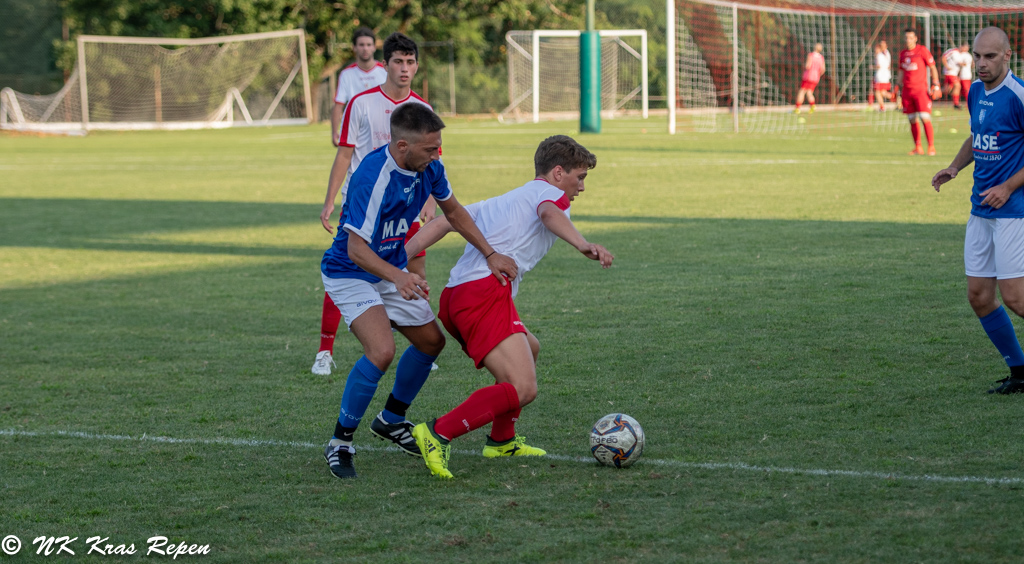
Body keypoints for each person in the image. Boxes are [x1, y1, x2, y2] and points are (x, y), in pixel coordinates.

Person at [320, 103, 518, 479]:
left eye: (438, 147)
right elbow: (355, 250)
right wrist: (399, 276)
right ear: (401, 147)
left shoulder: (430, 168)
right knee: (381, 351)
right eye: (429, 149)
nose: (436, 155)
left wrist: (490, 253)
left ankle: (392, 419)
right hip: (349, 272)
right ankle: (340, 442)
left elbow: (455, 213)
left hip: (390, 268)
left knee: (430, 342)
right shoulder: (372, 177)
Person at [402, 135, 614, 479]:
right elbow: (548, 214)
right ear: (558, 173)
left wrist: (399, 259)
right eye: (580, 177)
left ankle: (502, 441)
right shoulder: (550, 196)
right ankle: (438, 432)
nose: (581, 187)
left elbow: (444, 222)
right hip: (482, 294)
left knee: (530, 348)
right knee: (523, 387)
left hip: (456, 296)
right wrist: (582, 243)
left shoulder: (506, 199)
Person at [313, 32, 437, 377]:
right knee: (348, 266)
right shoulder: (362, 102)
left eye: (411, 62)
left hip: (404, 202)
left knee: (414, 267)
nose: (404, 68)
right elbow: (345, 153)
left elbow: (432, 158)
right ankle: (325, 350)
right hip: (363, 203)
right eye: (398, 61)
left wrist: (429, 199)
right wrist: (329, 201)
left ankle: (419, 341)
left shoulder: (423, 109)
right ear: (385, 64)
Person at [931, 27, 1024, 394]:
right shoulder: (973, 92)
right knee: (979, 296)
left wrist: (1008, 186)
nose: (981, 63)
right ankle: (1020, 372)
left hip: (1013, 210)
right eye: (977, 56)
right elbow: (978, 135)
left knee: (1016, 297)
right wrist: (955, 167)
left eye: (989, 56)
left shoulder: (1017, 95)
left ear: (1006, 56)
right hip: (980, 210)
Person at [330, 27, 386, 148]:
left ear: (374, 47)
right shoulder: (346, 74)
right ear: (354, 47)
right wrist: (334, 132)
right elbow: (338, 104)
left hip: (382, 130)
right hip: (355, 131)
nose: (365, 48)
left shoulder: (385, 71)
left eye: (368, 44)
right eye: (361, 45)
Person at [898, 28, 941, 156]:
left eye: (911, 37)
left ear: (915, 38)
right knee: (911, 119)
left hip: (921, 91)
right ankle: (918, 147)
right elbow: (901, 71)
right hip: (907, 91)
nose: (908, 40)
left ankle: (931, 147)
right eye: (906, 38)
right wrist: (897, 87)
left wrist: (936, 83)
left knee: (924, 117)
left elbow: (932, 67)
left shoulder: (922, 51)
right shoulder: (903, 54)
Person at [794, 43, 825, 114]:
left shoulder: (811, 55)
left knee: (802, 91)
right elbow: (823, 69)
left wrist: (804, 66)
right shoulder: (821, 57)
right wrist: (817, 74)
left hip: (808, 76)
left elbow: (808, 66)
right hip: (816, 77)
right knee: (809, 92)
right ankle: (813, 106)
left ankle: (797, 108)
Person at [873, 40, 893, 111]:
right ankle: (895, 98)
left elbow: (878, 66)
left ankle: (882, 107)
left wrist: (872, 67)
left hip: (880, 76)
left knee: (878, 92)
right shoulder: (887, 53)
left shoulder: (880, 55)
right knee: (882, 92)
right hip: (885, 76)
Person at [942, 43, 964, 108]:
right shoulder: (953, 51)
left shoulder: (961, 55)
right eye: (965, 47)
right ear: (961, 46)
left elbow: (958, 65)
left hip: (954, 73)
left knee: (947, 89)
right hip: (949, 73)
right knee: (957, 86)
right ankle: (956, 104)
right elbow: (943, 57)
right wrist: (947, 66)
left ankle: (933, 92)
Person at [958, 42, 974, 110]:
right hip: (965, 74)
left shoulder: (964, 55)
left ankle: (970, 103)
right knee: (961, 90)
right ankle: (957, 103)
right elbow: (973, 64)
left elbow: (960, 63)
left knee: (966, 90)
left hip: (964, 75)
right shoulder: (968, 55)